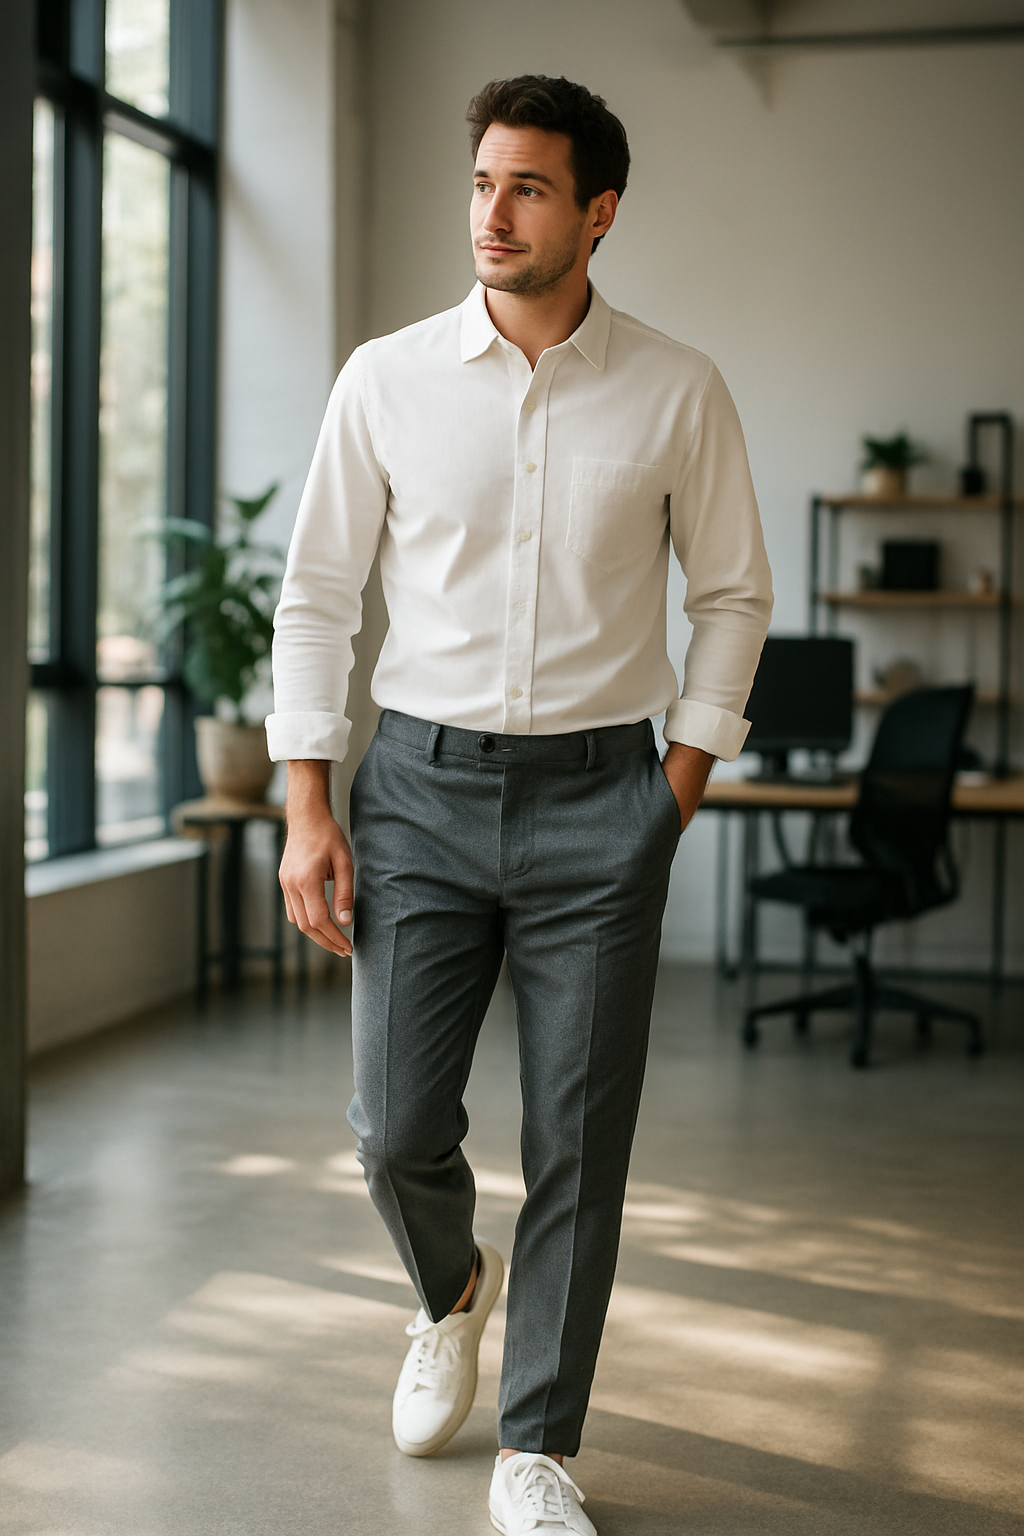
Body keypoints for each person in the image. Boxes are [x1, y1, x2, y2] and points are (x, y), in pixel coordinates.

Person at [268, 73, 772, 1536]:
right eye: (483, 182)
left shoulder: (679, 388)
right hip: (418, 793)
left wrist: (672, 789)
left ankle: (536, 1446)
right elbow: (316, 599)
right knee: (389, 1126)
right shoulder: (385, 378)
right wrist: (311, 806)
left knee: (578, 1137)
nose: (493, 213)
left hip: (602, 803)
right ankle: (451, 1289)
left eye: (530, 188)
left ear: (598, 213)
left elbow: (734, 596)